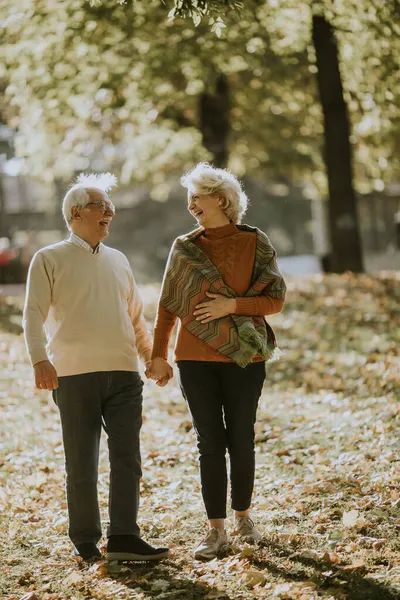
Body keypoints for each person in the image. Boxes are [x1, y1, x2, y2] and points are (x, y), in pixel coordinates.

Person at [23, 173, 169, 563]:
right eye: (101, 206)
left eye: (110, 206)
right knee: (82, 461)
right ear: (75, 213)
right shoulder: (49, 258)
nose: (111, 212)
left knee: (127, 458)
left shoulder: (119, 260)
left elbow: (135, 318)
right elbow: (32, 314)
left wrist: (151, 356)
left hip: (124, 375)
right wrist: (40, 359)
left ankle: (123, 536)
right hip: (73, 376)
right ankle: (85, 538)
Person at [148, 163, 286, 560]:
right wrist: (158, 355)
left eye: (198, 195)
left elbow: (275, 298)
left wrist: (233, 305)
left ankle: (243, 518)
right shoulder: (185, 247)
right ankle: (216, 530)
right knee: (209, 442)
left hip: (245, 358)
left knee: (241, 437)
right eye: (189, 197)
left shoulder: (255, 243)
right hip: (193, 358)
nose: (191, 203)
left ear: (222, 200)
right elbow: (167, 306)